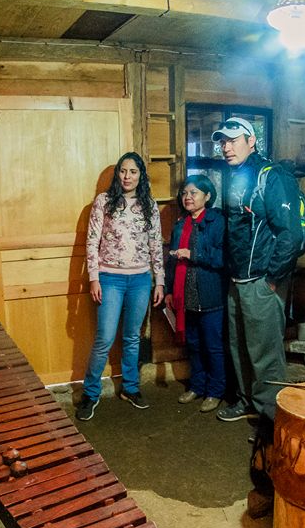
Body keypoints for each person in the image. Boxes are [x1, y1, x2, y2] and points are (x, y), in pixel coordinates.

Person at [212, 118, 304, 519]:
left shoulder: (272, 176)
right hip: (237, 278)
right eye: (223, 143)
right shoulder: (235, 176)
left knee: (265, 351)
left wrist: (272, 278)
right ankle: (250, 403)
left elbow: (293, 233)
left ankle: (271, 421)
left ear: (252, 140)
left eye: (233, 141)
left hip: (261, 281)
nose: (226, 148)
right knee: (240, 346)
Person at [76, 152, 165, 421]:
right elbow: (91, 242)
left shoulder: (149, 204)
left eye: (133, 172)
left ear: (141, 176)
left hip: (140, 279)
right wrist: (93, 277)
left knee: (132, 337)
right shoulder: (103, 202)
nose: (127, 176)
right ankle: (90, 394)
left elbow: (155, 245)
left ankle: (130, 387)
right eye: (123, 171)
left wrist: (159, 280)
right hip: (110, 278)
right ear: (118, 174)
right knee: (104, 338)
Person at [167, 174, 226, 414]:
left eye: (194, 193)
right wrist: (171, 290)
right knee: (193, 345)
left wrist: (193, 254)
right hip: (186, 296)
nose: (188, 197)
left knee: (213, 346)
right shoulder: (180, 225)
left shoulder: (217, 221)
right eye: (185, 193)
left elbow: (223, 258)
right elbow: (172, 262)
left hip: (211, 296)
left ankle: (215, 391)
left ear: (207, 196)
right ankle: (197, 386)